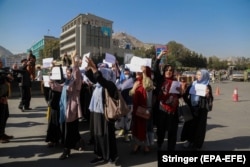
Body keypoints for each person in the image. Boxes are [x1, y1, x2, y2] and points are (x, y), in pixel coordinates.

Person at [85, 57, 118, 165]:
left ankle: (112, 156)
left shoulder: (110, 85)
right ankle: (100, 155)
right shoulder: (97, 86)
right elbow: (93, 78)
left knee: (108, 135)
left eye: (103, 73)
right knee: (97, 134)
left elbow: (100, 79)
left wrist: (94, 69)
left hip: (107, 114)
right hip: (97, 112)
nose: (101, 74)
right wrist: (89, 68)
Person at [153, 50, 180, 151]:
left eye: (171, 70)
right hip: (161, 109)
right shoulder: (160, 80)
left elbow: (180, 96)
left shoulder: (176, 82)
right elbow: (155, 69)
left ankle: (171, 148)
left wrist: (181, 91)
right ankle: (159, 143)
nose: (168, 72)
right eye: (167, 70)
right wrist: (159, 56)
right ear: (164, 71)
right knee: (161, 131)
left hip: (173, 110)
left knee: (172, 131)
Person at [181, 69, 213, 150]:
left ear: (204, 76)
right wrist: (185, 98)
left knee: (199, 127)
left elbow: (210, 99)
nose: (198, 76)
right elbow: (186, 94)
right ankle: (189, 140)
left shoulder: (207, 86)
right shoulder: (193, 84)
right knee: (190, 125)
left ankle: (197, 143)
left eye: (200, 75)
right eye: (197, 74)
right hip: (192, 109)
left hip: (201, 110)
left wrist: (208, 95)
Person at [129, 66, 154, 153]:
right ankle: (137, 144)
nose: (137, 72)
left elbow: (147, 86)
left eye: (140, 71)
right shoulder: (136, 82)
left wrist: (144, 72)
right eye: (137, 71)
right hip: (137, 109)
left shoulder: (148, 81)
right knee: (137, 127)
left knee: (145, 128)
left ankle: (146, 145)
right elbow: (131, 94)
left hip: (145, 109)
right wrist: (134, 88)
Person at [45, 65, 65, 148]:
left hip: (60, 104)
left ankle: (60, 139)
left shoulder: (62, 80)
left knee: (59, 122)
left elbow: (61, 87)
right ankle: (53, 139)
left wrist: (53, 85)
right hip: (53, 104)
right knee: (52, 122)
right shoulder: (52, 80)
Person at [115, 68, 134, 142]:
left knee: (128, 119)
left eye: (128, 72)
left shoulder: (133, 80)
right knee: (121, 118)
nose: (126, 73)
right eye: (125, 72)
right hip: (121, 102)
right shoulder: (119, 81)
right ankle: (122, 130)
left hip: (129, 102)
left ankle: (126, 134)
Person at [0, 60, 14, 143]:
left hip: (4, 97)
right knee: (1, 118)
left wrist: (9, 77)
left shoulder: (2, 73)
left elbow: (10, 80)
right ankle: (1, 136)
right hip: (1, 98)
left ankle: (2, 133)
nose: (1, 64)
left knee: (5, 115)